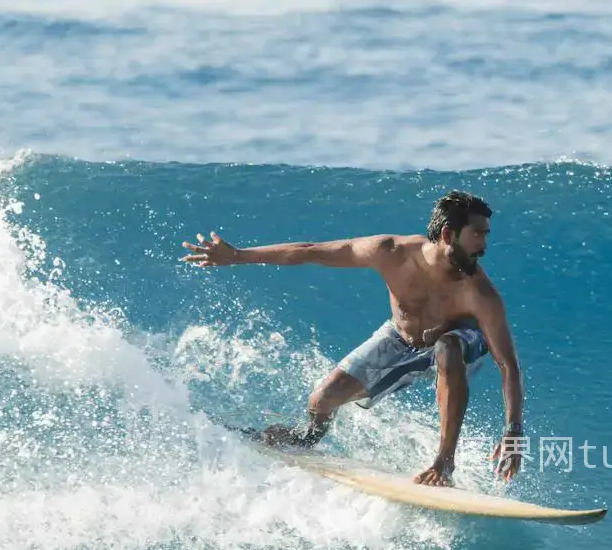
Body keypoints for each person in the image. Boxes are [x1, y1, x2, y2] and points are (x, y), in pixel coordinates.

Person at [181, 190, 525, 486]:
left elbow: (508, 365)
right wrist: (238, 256)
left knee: (448, 348)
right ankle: (304, 438)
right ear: (449, 234)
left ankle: (444, 462)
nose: (484, 246)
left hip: (462, 343)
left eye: (485, 235)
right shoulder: (390, 252)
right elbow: (311, 250)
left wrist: (512, 430)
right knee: (323, 401)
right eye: (477, 235)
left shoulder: (479, 292)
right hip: (401, 338)